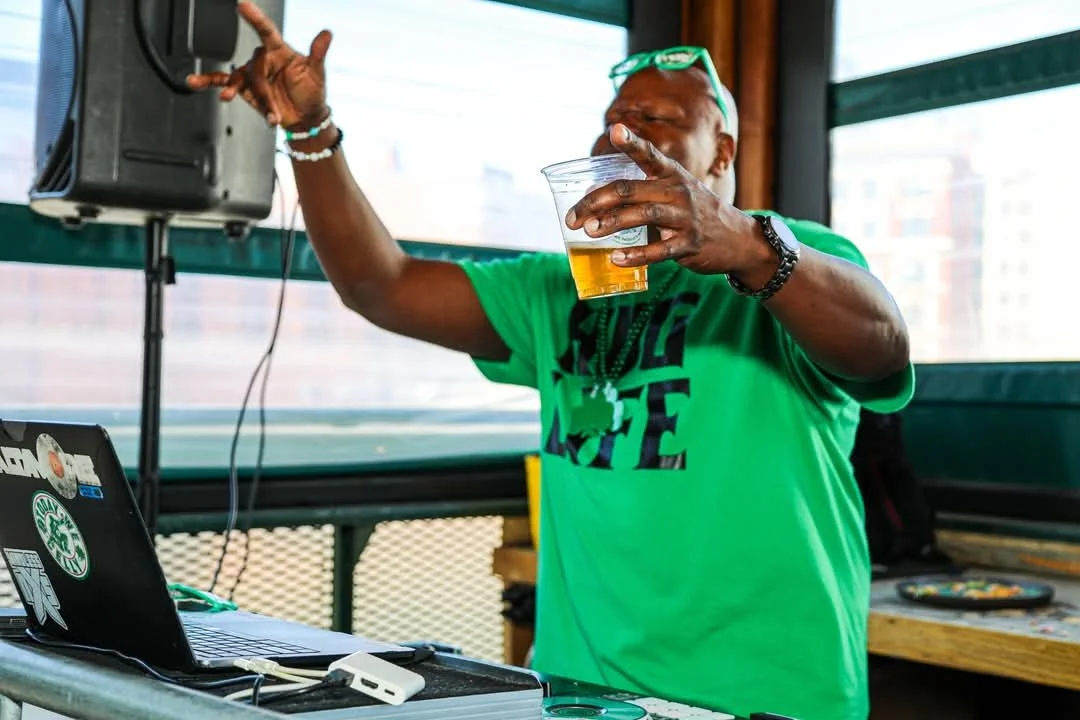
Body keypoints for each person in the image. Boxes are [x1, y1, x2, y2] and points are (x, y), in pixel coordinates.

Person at [188, 6, 914, 719]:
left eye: (657, 120)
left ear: (721, 154)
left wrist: (750, 246)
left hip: (765, 700)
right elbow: (382, 285)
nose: (620, 133)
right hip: (579, 696)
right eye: (612, 120)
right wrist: (312, 133)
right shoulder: (553, 288)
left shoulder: (796, 254)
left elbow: (881, 351)